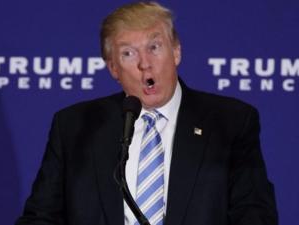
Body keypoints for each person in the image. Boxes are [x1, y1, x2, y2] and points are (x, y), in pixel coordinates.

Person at [15, 2, 278, 225]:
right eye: (128, 53)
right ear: (113, 69)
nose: (144, 64)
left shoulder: (230, 122)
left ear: (176, 51)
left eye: (154, 47)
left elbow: (254, 215)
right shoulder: (74, 127)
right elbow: (40, 217)